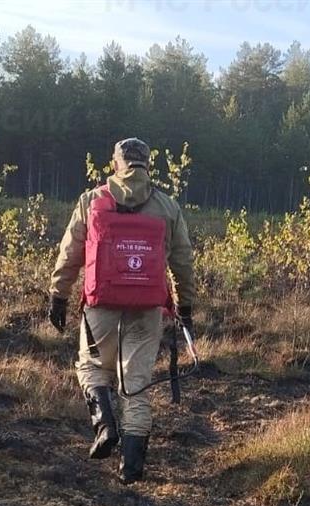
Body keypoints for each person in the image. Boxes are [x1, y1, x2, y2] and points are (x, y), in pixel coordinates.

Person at [47, 137, 195, 484]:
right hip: (147, 308)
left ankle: (104, 425)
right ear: (147, 164)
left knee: (91, 365)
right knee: (137, 383)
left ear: (116, 163)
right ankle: (131, 465)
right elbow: (183, 261)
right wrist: (185, 305)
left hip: (101, 305)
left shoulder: (92, 200)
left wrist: (58, 294)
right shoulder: (167, 206)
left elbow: (70, 253)